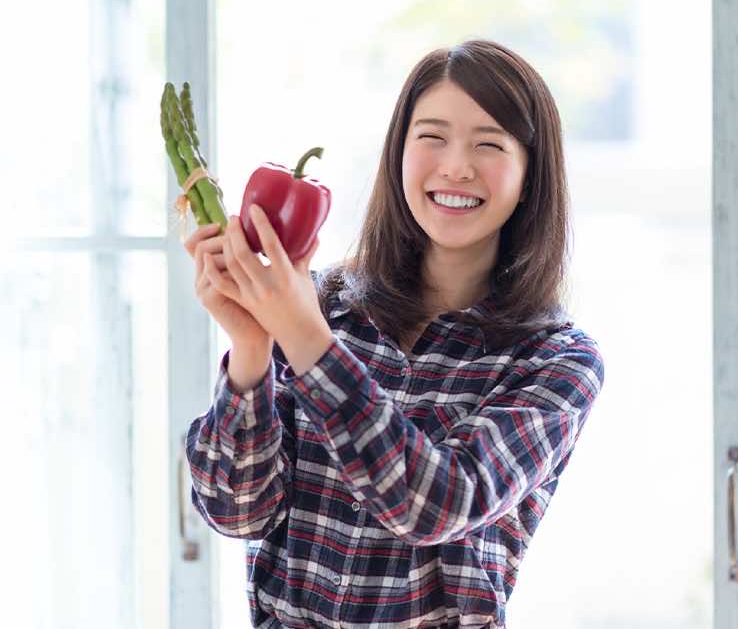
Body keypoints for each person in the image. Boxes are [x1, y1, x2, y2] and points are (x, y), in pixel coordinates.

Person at [183, 39, 605, 629]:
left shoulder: (557, 359)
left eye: (488, 144)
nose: (456, 166)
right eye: (431, 137)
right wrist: (252, 348)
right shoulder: (318, 304)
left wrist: (304, 340)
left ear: (531, 174)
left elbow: (436, 504)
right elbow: (235, 509)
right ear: (398, 154)